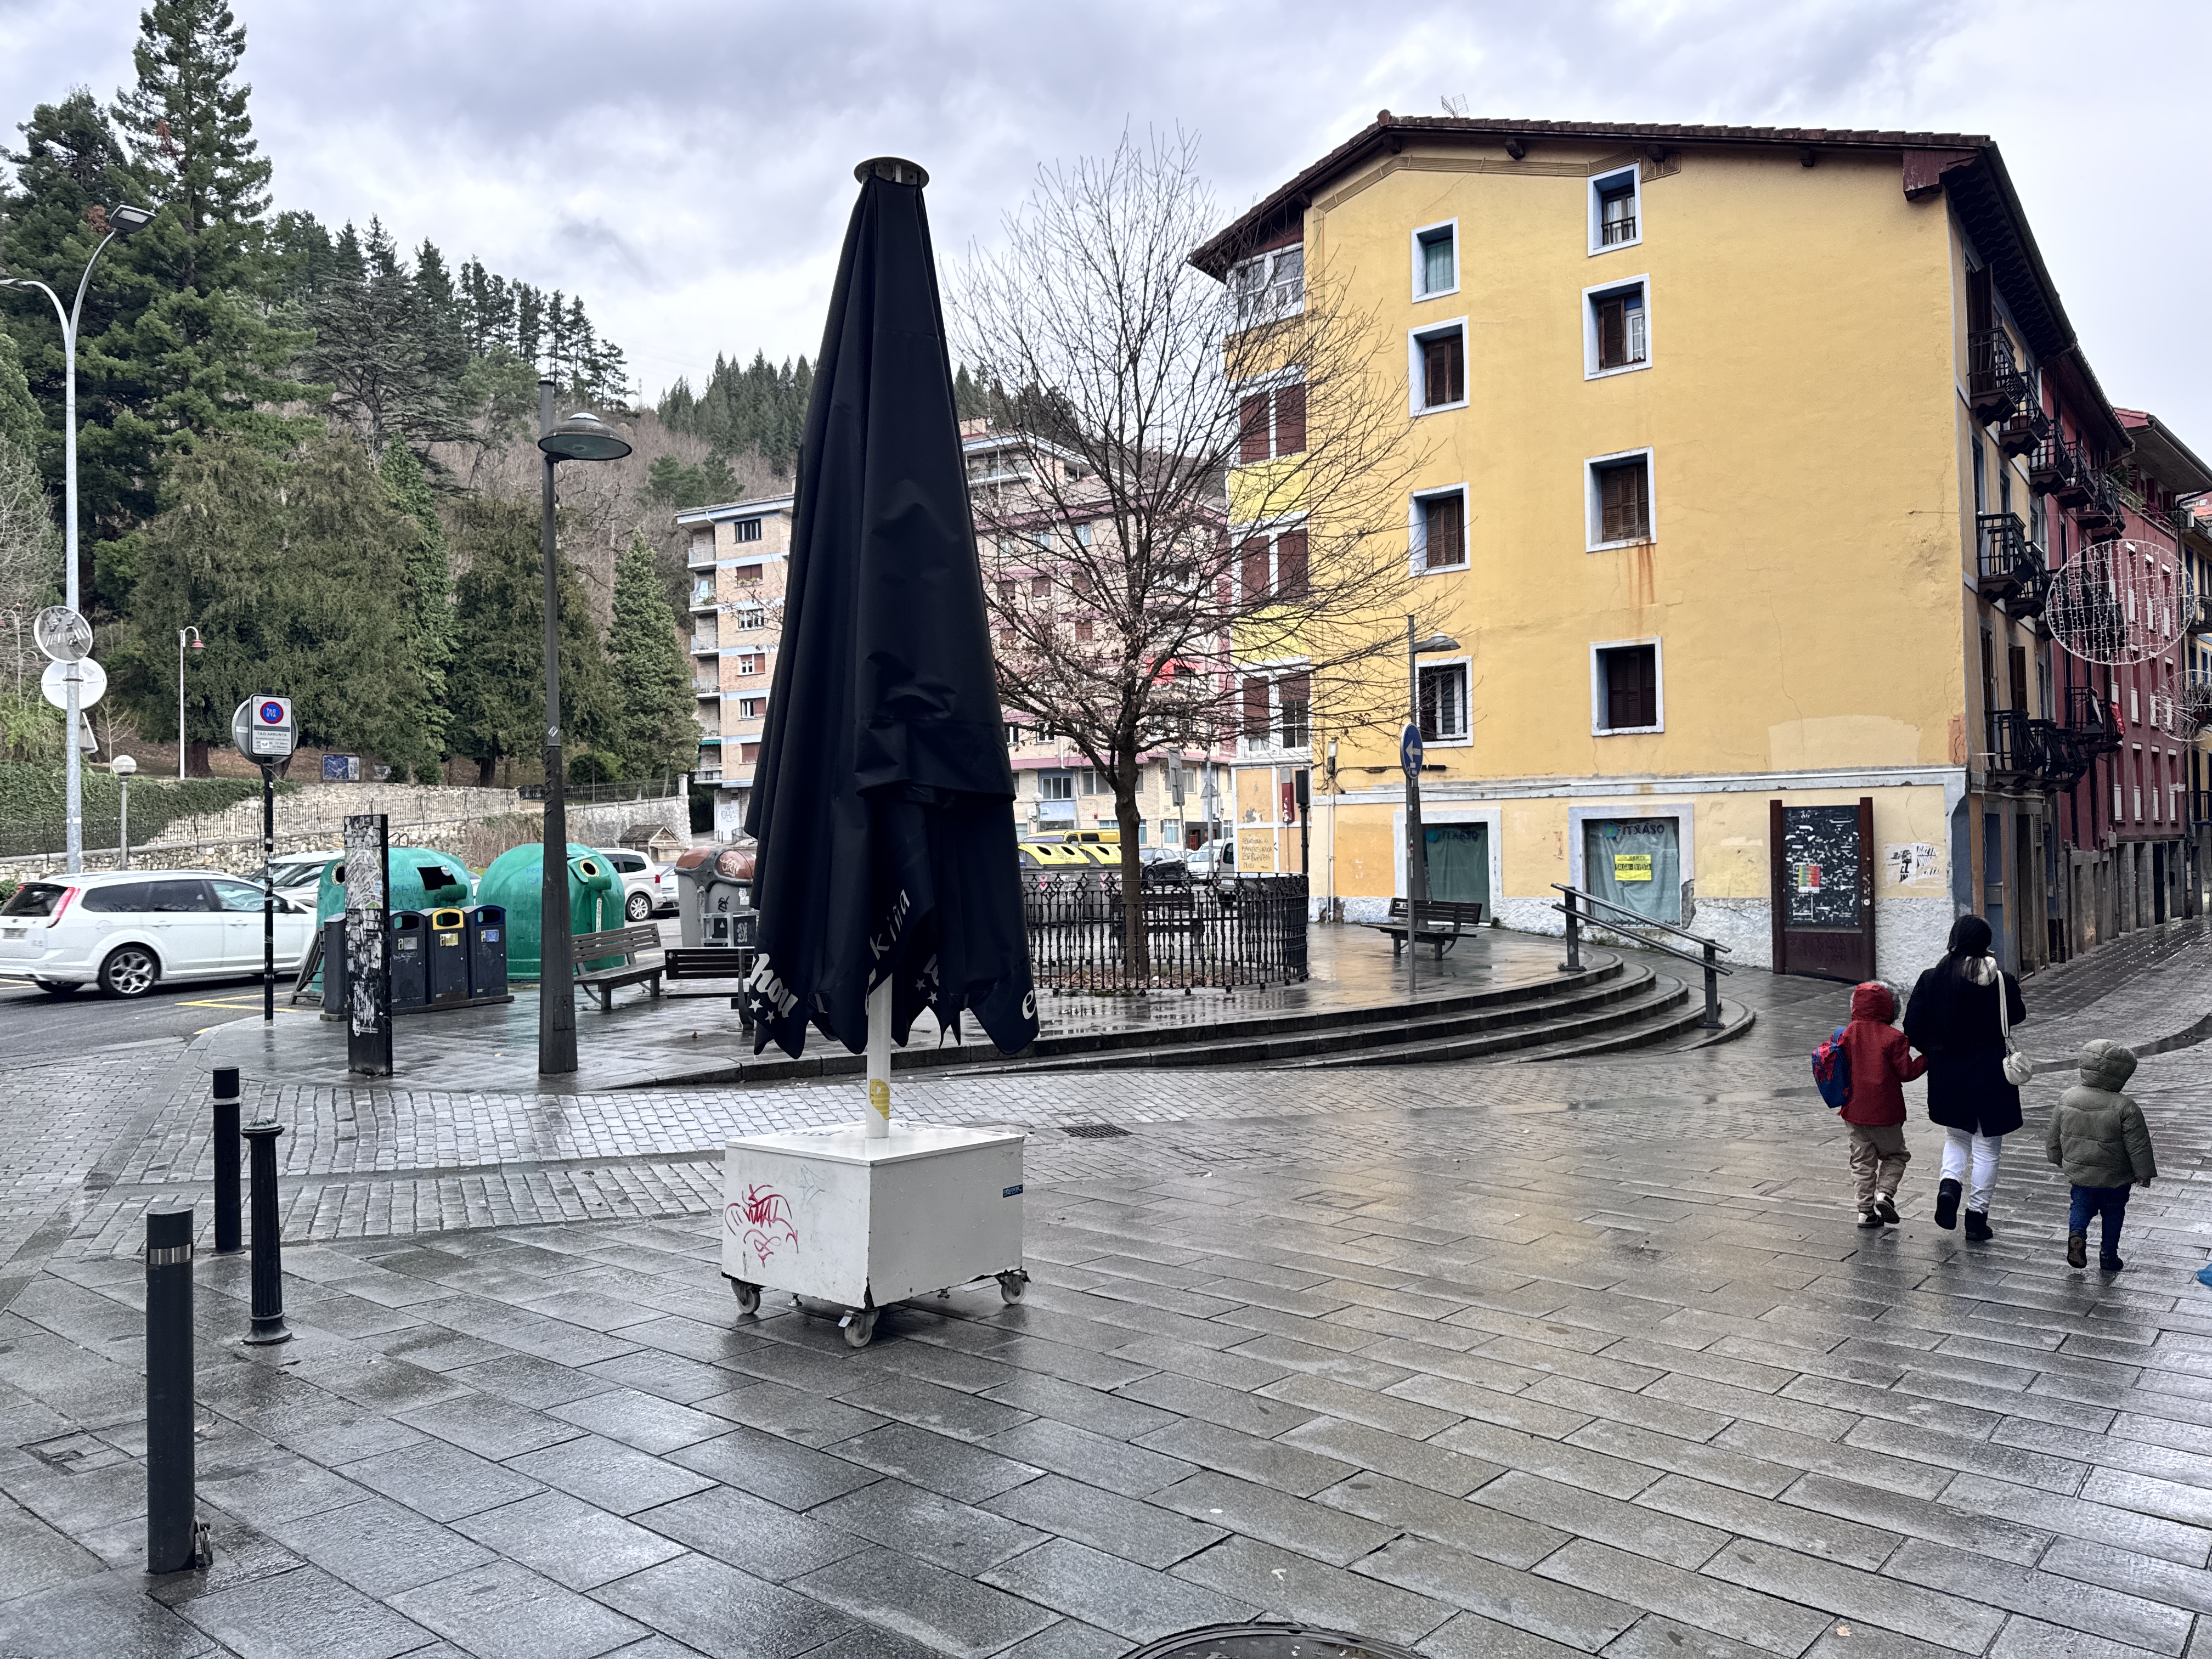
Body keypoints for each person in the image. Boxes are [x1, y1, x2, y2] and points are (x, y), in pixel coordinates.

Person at [1903, 915, 2026, 1241]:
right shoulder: (2002, 981)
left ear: (1954, 940)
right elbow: (2017, 1015)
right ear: (1986, 943)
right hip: (1992, 1076)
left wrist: (1936, 1051)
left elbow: (1912, 1027)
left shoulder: (1932, 978)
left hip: (1949, 1075)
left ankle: (1949, 1188)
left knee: (1957, 1137)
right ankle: (1976, 1219)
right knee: (1987, 1148)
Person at [2046, 1039, 2157, 1272]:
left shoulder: (2068, 1097)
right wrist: (2144, 1173)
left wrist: (2056, 1156)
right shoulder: (2126, 1107)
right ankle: (2108, 1255)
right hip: (2115, 1177)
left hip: (2081, 1173)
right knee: (2114, 1212)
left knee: (2080, 1205)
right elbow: (2138, 1145)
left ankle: (2077, 1235)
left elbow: (2055, 1133)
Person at [1835, 981, 1927, 1227]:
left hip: (1854, 1111)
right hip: (1887, 1113)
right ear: (1891, 1008)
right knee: (1896, 1155)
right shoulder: (1894, 1038)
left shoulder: (1846, 1034)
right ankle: (1884, 1194)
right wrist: (1927, 1059)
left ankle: (1865, 1212)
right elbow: (1907, 1072)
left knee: (1862, 1162)